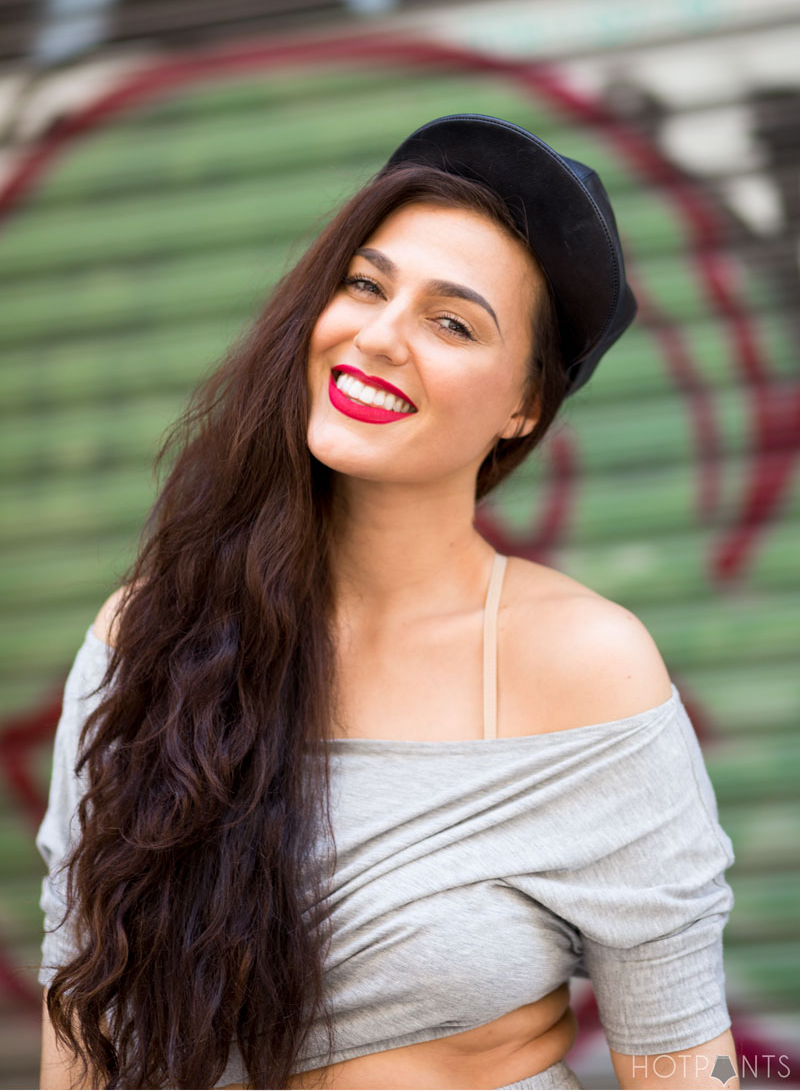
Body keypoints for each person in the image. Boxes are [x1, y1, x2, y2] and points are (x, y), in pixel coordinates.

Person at [36, 114, 739, 1091]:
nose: (377, 336)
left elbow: (679, 1069)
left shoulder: (582, 666)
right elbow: (80, 1021)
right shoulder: (146, 636)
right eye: (364, 285)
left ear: (522, 407)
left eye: (450, 322)